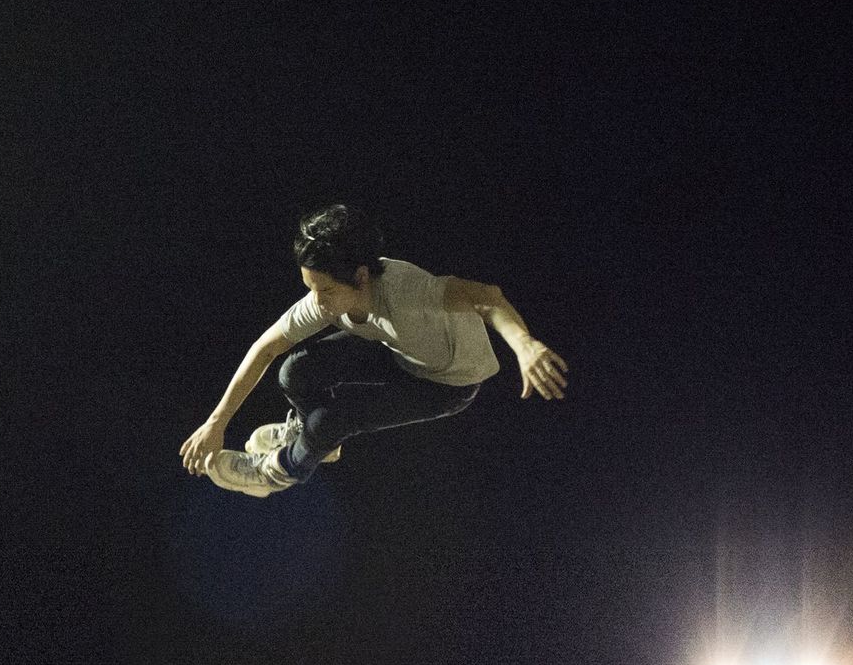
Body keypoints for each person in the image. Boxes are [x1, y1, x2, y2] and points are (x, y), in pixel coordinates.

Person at [179, 203, 568, 495]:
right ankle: (316, 443)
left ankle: (278, 472)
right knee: (293, 370)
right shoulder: (326, 299)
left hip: (446, 384)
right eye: (310, 287)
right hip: (394, 351)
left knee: (333, 420)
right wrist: (217, 422)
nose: (317, 301)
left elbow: (487, 298)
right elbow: (264, 350)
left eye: (326, 290)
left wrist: (525, 345)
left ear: (361, 277)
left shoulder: (410, 292)